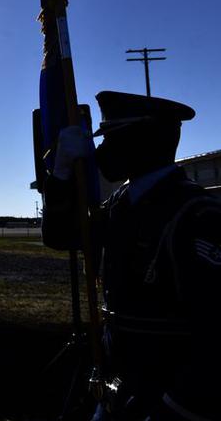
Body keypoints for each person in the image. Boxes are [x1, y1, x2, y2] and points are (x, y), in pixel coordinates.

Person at [43, 91, 221, 420]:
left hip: (167, 397)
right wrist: (61, 175)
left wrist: (171, 411)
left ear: (145, 139)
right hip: (124, 388)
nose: (100, 150)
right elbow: (62, 236)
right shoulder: (123, 203)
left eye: (111, 137)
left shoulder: (196, 216)